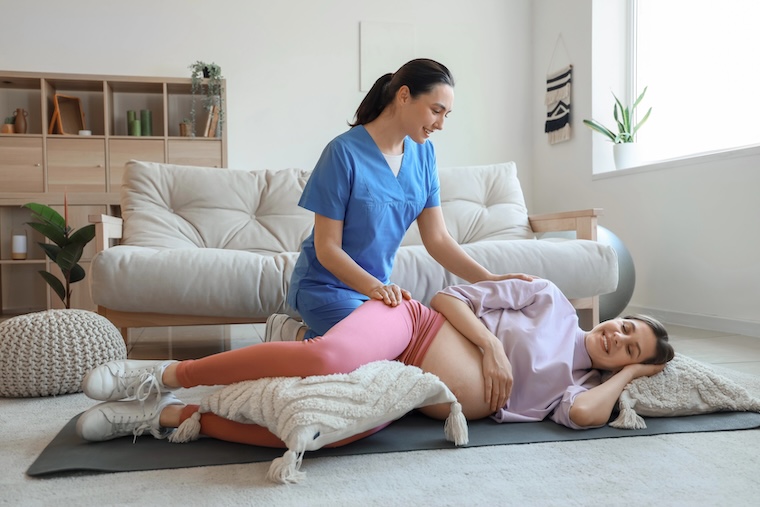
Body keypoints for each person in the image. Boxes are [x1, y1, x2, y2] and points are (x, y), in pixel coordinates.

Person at [76, 277, 674, 446]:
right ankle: (159, 375)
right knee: (325, 356)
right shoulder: (549, 299)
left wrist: (627, 376)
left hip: (406, 391)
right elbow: (448, 296)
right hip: (413, 326)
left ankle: (166, 417)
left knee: (320, 432)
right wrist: (490, 346)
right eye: (627, 328)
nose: (618, 338)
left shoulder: (578, 387)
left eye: (631, 350)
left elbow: (587, 417)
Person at [266, 58, 528, 342]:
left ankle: (315, 338)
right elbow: (327, 248)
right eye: (436, 111)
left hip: (378, 291)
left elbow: (438, 239)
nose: (440, 124)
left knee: (411, 343)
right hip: (326, 287)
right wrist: (375, 289)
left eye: (446, 115)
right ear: (404, 96)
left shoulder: (424, 155)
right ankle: (291, 333)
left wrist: (488, 279)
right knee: (375, 343)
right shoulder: (342, 152)